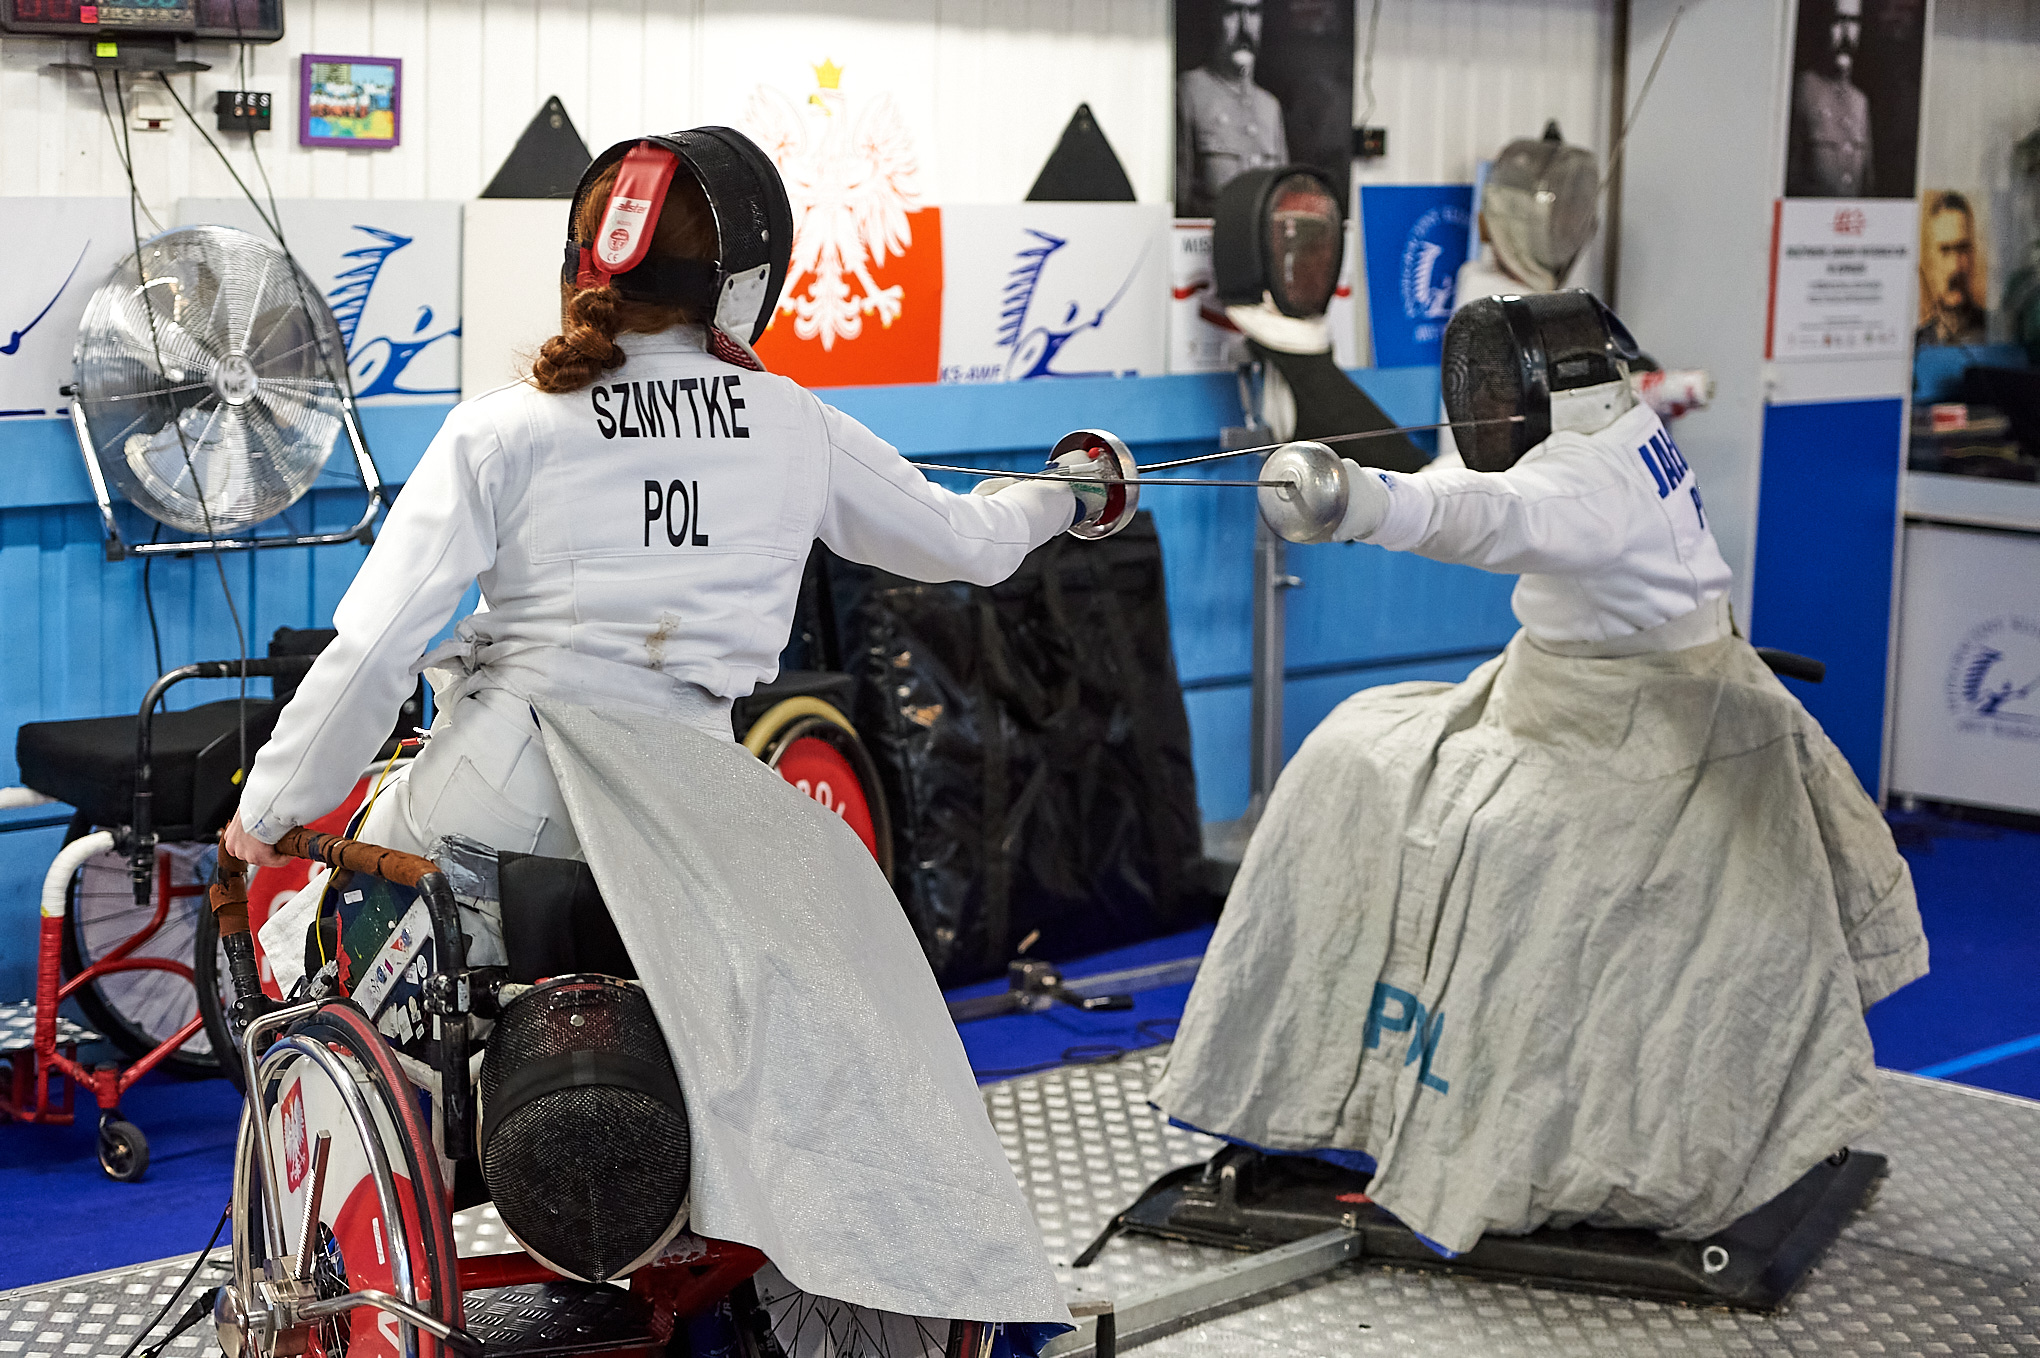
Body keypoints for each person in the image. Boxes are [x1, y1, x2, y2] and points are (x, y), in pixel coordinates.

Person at [223, 127, 1096, 1344]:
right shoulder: (793, 422)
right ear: (744, 285)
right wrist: (1070, 492)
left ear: (582, 260)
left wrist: (265, 815)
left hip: (499, 808)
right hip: (692, 826)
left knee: (311, 940)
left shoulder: (504, 426)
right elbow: (970, 542)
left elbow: (372, 654)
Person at [1153, 289, 1926, 1258]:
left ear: (1547, 386)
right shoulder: (1617, 424)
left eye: (1494, 387)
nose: (1481, 404)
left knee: (1486, 830)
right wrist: (1363, 484)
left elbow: (1488, 514)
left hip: (1648, 727)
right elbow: (1464, 482)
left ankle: (1471, 1106)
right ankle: (1329, 1080)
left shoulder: (1587, 478)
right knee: (1354, 743)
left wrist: (1363, 503)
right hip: (1562, 695)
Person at [1175, 0, 1288, 217]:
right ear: (1213, 18)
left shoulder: (1269, 107)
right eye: (1232, 12)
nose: (1245, 27)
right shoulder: (1190, 92)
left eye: (1253, 12)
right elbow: (1181, 198)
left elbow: (1282, 199)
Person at [1787, 0, 1874, 198]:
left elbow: (1868, 187)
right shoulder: (1803, 90)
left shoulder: (1860, 101)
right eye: (1838, 20)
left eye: (1854, 21)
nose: (1846, 32)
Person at [1917, 189, 1988, 347]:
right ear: (1931, 261)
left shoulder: (1995, 333)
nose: (1955, 266)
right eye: (1945, 250)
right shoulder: (1918, 343)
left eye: (1962, 248)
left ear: (1973, 254)